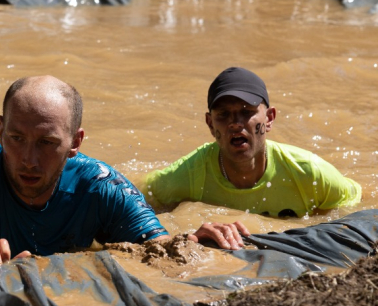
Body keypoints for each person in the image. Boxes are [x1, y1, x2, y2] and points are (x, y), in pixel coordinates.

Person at [0, 75, 246, 265]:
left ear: (75, 142)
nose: (28, 159)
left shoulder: (101, 186)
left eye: (46, 143)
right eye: (15, 138)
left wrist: (193, 241)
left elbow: (159, 253)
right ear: (0, 130)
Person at [143, 67, 362, 219]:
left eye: (247, 112)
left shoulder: (310, 174)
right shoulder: (188, 175)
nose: (235, 124)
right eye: (223, 115)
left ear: (269, 119)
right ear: (210, 124)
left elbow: (353, 207)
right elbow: (141, 196)